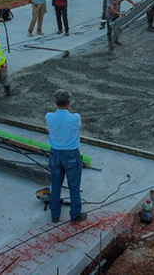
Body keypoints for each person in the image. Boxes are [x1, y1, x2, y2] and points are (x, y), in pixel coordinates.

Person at [46, 89, 86, 223]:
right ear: (69, 102)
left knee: (56, 184)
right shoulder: (75, 117)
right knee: (74, 185)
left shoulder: (49, 116)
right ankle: (75, 215)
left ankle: (55, 214)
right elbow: (77, 128)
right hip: (71, 154)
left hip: (55, 153)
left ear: (55, 102)